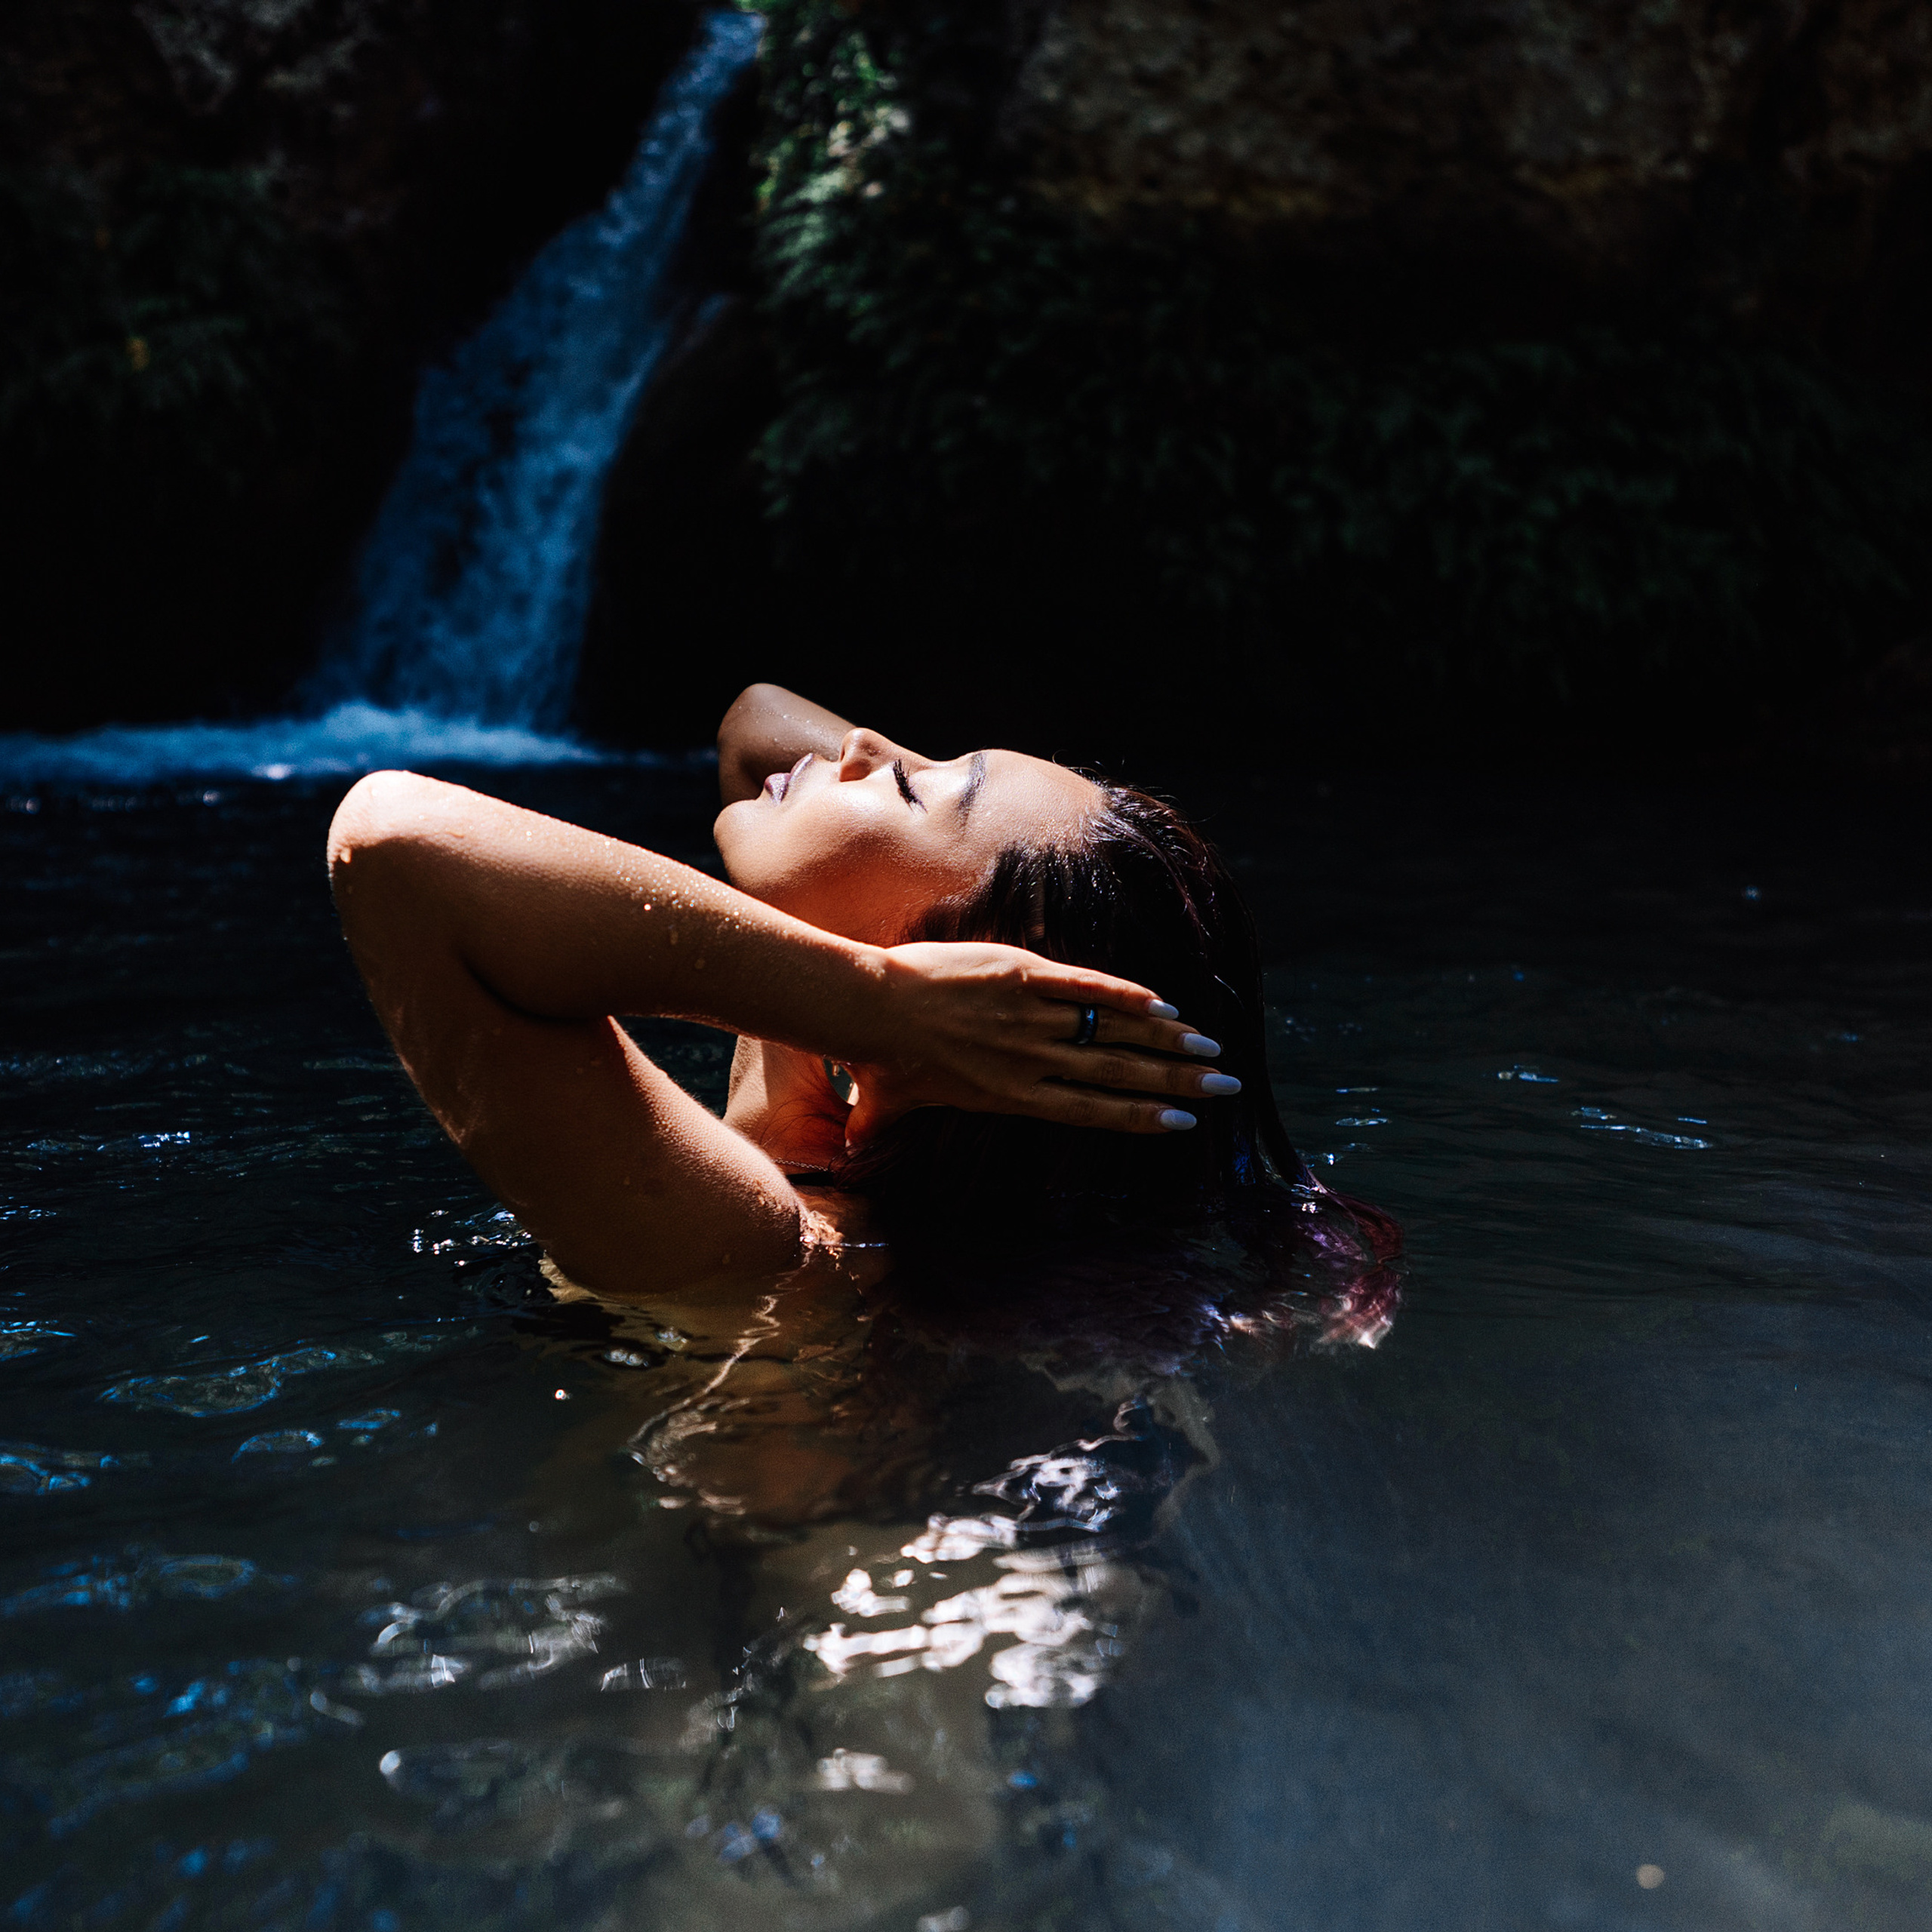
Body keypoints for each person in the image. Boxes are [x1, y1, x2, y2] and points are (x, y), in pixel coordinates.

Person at [326, 684, 1352, 1303]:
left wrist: (878, 1004)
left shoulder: (788, 1258)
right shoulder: (809, 1074)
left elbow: (395, 847)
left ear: (966, 976)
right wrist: (878, 994)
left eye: (908, 783)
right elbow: (756, 727)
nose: (856, 749)